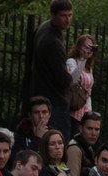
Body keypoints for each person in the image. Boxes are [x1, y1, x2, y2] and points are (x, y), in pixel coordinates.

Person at [29, 0, 74, 139]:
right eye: (63, 16)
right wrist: (69, 72)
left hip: (41, 95)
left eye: (70, 15)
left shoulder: (44, 27)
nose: (68, 20)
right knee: (58, 144)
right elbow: (64, 81)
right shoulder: (53, 41)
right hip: (55, 102)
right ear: (53, 16)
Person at [66, 34, 96, 136]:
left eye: (90, 47)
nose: (88, 50)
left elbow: (89, 91)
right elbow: (73, 80)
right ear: (79, 47)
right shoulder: (71, 61)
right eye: (85, 46)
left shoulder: (89, 67)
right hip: (74, 109)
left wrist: (89, 112)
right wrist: (83, 59)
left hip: (85, 109)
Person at [65, 111, 100, 176]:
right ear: (81, 128)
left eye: (97, 129)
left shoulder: (88, 147)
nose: (93, 133)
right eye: (89, 128)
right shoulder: (74, 149)